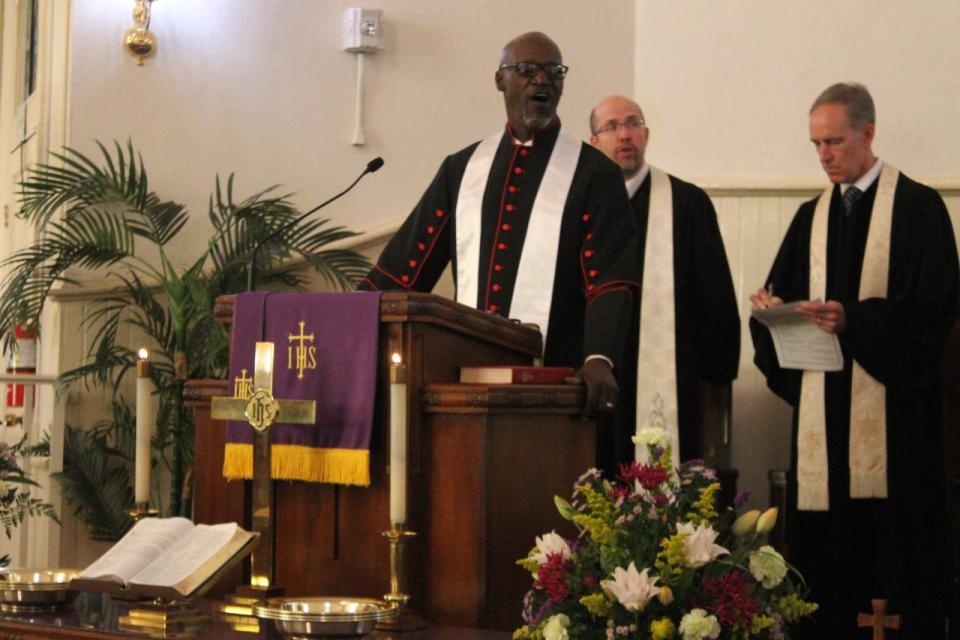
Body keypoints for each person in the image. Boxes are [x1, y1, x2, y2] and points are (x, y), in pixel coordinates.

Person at [750, 82, 958, 638]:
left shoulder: (919, 208)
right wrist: (773, 314)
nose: (824, 156)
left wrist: (854, 321)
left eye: (835, 142)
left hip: (895, 429)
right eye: (816, 144)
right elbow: (783, 298)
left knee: (895, 555)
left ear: (868, 132)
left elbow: (933, 314)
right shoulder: (809, 217)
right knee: (825, 580)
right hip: (823, 424)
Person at [361, 32, 637, 417]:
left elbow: (610, 281)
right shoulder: (463, 168)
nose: (542, 80)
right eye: (526, 70)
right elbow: (404, 270)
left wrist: (599, 358)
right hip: (464, 385)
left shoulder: (594, 174)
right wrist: (349, 320)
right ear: (499, 80)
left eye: (553, 71)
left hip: (558, 386)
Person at [588, 95, 739, 473]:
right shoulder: (582, 207)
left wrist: (715, 378)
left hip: (672, 376)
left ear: (646, 134)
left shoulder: (687, 205)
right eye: (611, 127)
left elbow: (715, 302)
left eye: (633, 123)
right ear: (594, 142)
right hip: (596, 380)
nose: (625, 134)